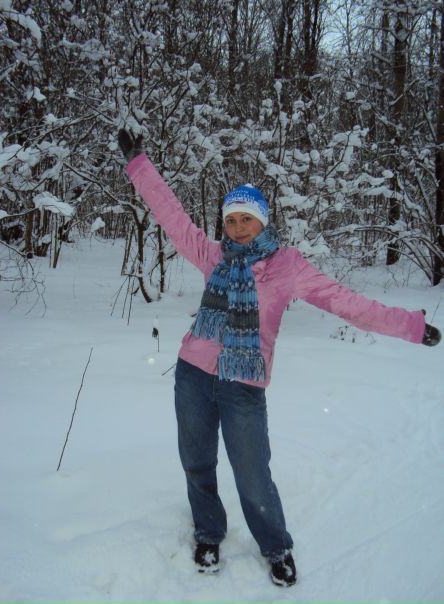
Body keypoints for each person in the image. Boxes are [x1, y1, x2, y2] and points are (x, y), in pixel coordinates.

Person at [118, 129, 441, 587]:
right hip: (193, 375)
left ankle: (275, 546)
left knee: (253, 474)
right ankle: (208, 532)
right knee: (197, 462)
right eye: (231, 220)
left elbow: (345, 302)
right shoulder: (213, 256)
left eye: (246, 219)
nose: (238, 228)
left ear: (263, 221)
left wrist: (409, 326)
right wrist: (139, 165)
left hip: (243, 388)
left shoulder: (286, 266)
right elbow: (171, 216)